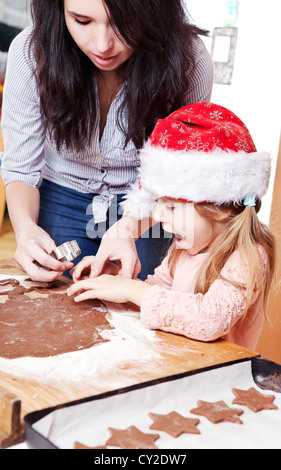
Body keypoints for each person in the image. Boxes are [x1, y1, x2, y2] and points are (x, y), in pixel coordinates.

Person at [0, 0, 213, 282]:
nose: (102, 45)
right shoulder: (30, 51)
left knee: (140, 307)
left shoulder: (189, 58)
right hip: (62, 193)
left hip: (148, 199)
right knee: (58, 301)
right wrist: (25, 228)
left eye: (122, 23)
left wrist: (127, 228)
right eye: (82, 21)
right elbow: (21, 169)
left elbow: (175, 171)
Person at [67, 102, 276, 350]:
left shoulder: (248, 256)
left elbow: (209, 320)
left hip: (217, 381)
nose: (158, 215)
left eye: (173, 208)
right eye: (158, 203)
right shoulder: (185, 248)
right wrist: (113, 279)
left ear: (223, 209)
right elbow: (157, 296)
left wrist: (129, 289)